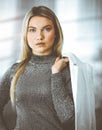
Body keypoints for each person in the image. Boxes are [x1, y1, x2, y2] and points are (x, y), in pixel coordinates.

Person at [0, 6, 96, 130]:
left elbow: (69, 119)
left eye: (46, 29)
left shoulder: (69, 69)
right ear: (25, 34)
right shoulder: (16, 70)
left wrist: (56, 75)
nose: (39, 36)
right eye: (32, 30)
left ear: (56, 33)